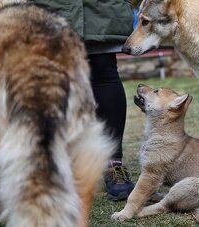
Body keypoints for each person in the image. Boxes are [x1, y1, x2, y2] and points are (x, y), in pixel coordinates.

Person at [30, 0, 135, 201]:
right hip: (50, 8)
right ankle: (51, 163)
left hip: (99, 10)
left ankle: (113, 163)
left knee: (103, 69)